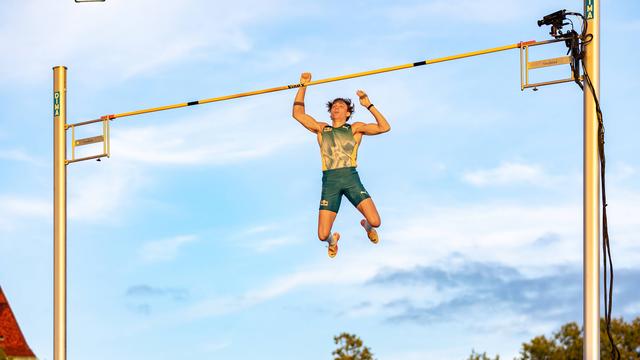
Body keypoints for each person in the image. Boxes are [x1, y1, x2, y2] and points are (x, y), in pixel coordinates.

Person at [292, 72, 391, 258]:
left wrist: (368, 104)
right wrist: (303, 86)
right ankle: (333, 241)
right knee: (322, 235)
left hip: (351, 179)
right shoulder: (321, 129)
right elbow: (297, 114)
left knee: (375, 222)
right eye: (334, 106)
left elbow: (384, 127)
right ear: (330, 112)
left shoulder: (355, 129)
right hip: (330, 182)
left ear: (347, 112)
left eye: (341, 106)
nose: (336, 107)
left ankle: (366, 226)